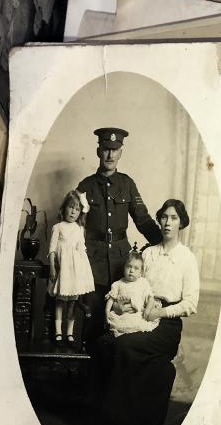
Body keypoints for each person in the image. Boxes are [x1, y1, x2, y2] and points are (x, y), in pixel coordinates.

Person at [90, 199, 199, 425]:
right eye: (163, 217)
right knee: (106, 344)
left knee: (125, 346)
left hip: (167, 325)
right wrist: (118, 304)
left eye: (173, 218)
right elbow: (130, 284)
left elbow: (191, 304)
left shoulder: (186, 259)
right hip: (136, 315)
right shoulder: (148, 253)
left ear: (181, 222)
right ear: (158, 220)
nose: (167, 222)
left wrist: (161, 312)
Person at [76, 128, 162, 345]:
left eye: (115, 150)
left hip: (121, 265)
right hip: (92, 262)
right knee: (94, 321)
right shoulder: (85, 186)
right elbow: (75, 225)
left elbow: (142, 219)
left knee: (124, 324)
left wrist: (163, 243)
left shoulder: (127, 184)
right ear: (98, 151)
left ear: (121, 152)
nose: (110, 155)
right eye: (106, 149)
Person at [47, 191, 94, 345]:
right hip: (63, 271)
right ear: (64, 208)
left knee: (73, 302)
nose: (73, 211)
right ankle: (58, 332)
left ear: (80, 212)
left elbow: (81, 251)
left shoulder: (79, 229)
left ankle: (69, 333)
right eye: (70, 207)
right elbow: (52, 249)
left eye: (77, 209)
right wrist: (53, 268)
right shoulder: (58, 227)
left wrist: (83, 274)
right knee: (60, 301)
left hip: (75, 272)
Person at [104, 251, 158, 337]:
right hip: (122, 315)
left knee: (139, 324)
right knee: (119, 325)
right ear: (124, 268)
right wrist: (107, 312)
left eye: (136, 268)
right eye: (128, 266)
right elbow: (111, 300)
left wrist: (147, 310)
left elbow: (151, 298)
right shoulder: (118, 284)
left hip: (137, 314)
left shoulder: (143, 282)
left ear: (141, 272)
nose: (131, 270)